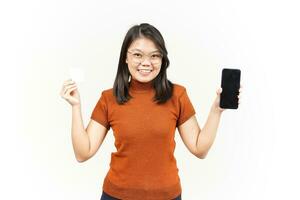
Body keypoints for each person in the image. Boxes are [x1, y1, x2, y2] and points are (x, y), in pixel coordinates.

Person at [60, 23, 242, 200]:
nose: (146, 62)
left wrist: (216, 110)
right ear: (126, 57)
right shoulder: (109, 98)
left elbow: (199, 148)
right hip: (116, 195)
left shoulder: (177, 95)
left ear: (162, 60)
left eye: (155, 55)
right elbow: (83, 153)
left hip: (167, 196)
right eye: (138, 54)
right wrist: (76, 107)